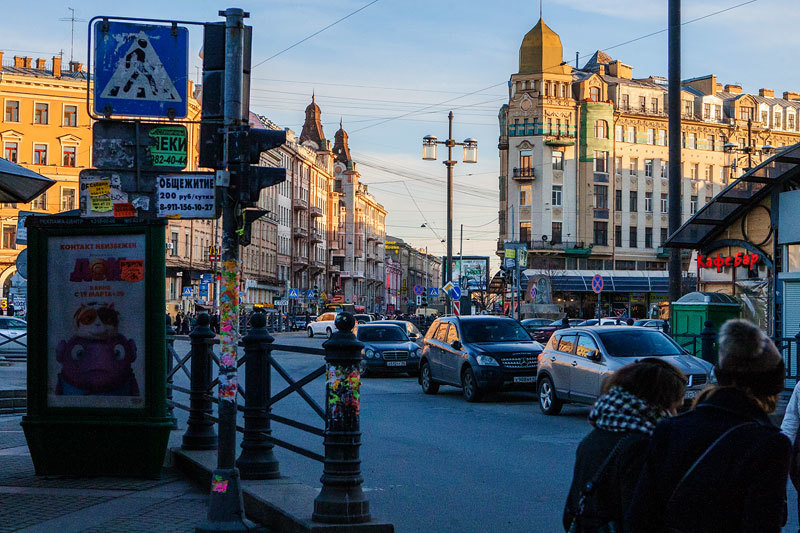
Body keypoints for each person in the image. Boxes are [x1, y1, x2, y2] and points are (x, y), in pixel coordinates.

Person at [626, 319, 790, 533]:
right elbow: (761, 525)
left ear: (719, 375)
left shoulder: (670, 429)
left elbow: (640, 518)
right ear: (772, 387)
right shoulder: (769, 444)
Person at [563, 359, 686, 532]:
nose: (674, 415)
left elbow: (571, 510)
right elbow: (641, 519)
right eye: (674, 408)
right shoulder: (642, 445)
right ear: (657, 403)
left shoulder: (594, 437)